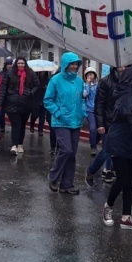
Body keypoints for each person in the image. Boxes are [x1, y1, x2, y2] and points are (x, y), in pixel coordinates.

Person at [102, 65, 132, 231]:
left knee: (130, 182)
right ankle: (108, 206)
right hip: (118, 142)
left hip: (131, 142)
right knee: (122, 179)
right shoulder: (125, 96)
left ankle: (126, 217)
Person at [45, 52, 85, 195]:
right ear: (65, 64)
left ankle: (67, 184)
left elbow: (82, 99)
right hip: (61, 121)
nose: (74, 66)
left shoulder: (80, 81)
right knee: (66, 150)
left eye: (76, 64)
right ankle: (53, 176)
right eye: (72, 64)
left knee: (72, 154)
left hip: (76, 121)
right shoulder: (55, 80)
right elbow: (47, 100)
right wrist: (58, 113)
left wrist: (83, 111)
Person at [86, 64, 123, 186]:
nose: (123, 68)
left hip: (123, 121)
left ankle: (113, 170)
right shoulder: (105, 82)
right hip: (108, 121)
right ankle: (92, 170)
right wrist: (100, 124)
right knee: (107, 149)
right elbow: (99, 104)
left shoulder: (129, 81)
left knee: (119, 149)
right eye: (120, 66)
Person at [0, 56, 39, 154]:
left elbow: (37, 85)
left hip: (25, 103)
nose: (20, 65)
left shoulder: (30, 73)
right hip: (12, 103)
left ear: (25, 64)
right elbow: (3, 87)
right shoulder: (10, 73)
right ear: (16, 64)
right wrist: (0, 101)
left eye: (22, 63)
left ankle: (20, 144)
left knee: (22, 125)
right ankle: (14, 145)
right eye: (19, 63)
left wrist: (30, 93)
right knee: (16, 125)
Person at [83, 68, 100, 153]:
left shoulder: (98, 86)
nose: (90, 76)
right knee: (93, 129)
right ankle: (93, 147)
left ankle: (94, 142)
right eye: (88, 74)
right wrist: (87, 84)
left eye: (92, 74)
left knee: (100, 129)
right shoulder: (85, 85)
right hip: (89, 110)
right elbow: (84, 94)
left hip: (98, 110)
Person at [30, 71, 49, 135]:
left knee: (42, 117)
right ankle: (32, 125)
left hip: (44, 100)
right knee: (34, 115)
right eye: (41, 72)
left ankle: (40, 130)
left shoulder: (48, 80)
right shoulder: (35, 80)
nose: (42, 73)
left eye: (43, 72)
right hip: (36, 100)